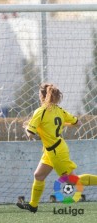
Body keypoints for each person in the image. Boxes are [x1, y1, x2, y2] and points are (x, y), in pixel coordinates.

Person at [17, 83, 97, 213]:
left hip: (56, 152)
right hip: (52, 149)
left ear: (43, 96)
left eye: (39, 94)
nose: (38, 96)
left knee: (72, 181)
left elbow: (30, 135)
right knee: (38, 175)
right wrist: (62, 124)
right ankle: (33, 205)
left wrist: (27, 127)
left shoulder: (40, 111)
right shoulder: (59, 110)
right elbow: (78, 122)